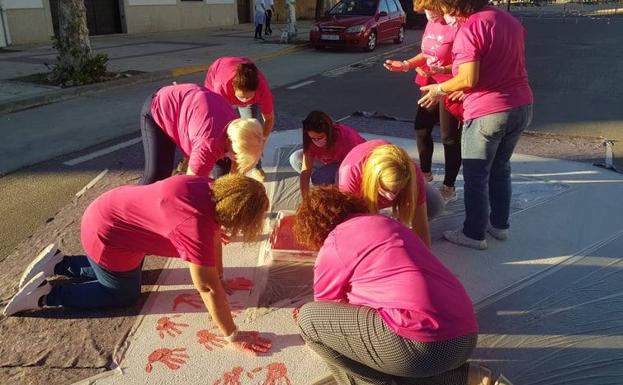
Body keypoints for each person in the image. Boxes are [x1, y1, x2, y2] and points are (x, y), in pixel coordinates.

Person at [3, 174, 272, 354]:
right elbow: (207, 288)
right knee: (122, 292)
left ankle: (61, 263)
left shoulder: (210, 188)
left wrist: (222, 277)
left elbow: (212, 242)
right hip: (107, 235)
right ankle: (47, 293)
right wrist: (232, 335)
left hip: (112, 211)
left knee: (123, 272)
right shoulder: (195, 226)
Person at [293, 186, 499, 385]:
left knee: (309, 319)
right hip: (464, 336)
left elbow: (327, 309)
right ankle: (463, 378)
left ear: (313, 229)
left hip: (421, 348)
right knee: (388, 353)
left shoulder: (335, 243)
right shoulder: (387, 223)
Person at [417, 0, 533, 250]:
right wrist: (461, 81)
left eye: (444, 8)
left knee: (475, 176)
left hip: (488, 112)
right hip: (521, 106)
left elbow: (469, 77)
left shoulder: (470, 27)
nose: (443, 15)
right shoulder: (508, 20)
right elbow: (495, 63)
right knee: (501, 168)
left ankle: (473, 233)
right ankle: (499, 226)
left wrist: (439, 88)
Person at [384, 2, 463, 203]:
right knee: (421, 128)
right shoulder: (431, 24)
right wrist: (406, 65)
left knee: (449, 137)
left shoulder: (457, 24)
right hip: (430, 84)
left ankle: (449, 186)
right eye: (424, 9)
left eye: (430, 8)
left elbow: (468, 63)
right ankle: (425, 174)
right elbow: (427, 55)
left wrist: (443, 70)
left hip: (450, 87)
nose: (427, 13)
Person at [138, 83, 264, 185]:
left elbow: (233, 173)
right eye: (237, 155)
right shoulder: (207, 146)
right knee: (158, 175)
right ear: (229, 141)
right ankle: (130, 209)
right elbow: (189, 187)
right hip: (160, 106)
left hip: (192, 107)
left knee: (223, 179)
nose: (237, 159)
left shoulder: (239, 128)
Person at [338, 140, 444, 248]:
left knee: (435, 205)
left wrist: (426, 258)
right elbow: (351, 229)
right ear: (374, 180)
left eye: (397, 190)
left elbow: (421, 224)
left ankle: (397, 225)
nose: (391, 196)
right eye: (386, 190)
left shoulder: (412, 173)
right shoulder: (351, 175)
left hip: (391, 180)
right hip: (360, 190)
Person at [205, 57, 275, 181]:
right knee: (224, 138)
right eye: (241, 97)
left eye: (248, 97)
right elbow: (219, 125)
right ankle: (225, 170)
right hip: (218, 80)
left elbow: (269, 119)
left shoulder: (262, 89)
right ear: (233, 87)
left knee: (251, 135)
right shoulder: (221, 87)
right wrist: (229, 155)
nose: (243, 101)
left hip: (242, 77)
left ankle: (256, 167)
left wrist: (261, 142)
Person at [289, 111, 365, 197]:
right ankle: (325, 180)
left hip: (350, 163)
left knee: (319, 179)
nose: (316, 141)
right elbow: (305, 170)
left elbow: (353, 168)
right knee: (295, 158)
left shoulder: (347, 139)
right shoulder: (309, 140)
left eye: (320, 137)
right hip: (330, 161)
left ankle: (328, 182)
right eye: (313, 138)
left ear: (329, 133)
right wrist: (305, 200)